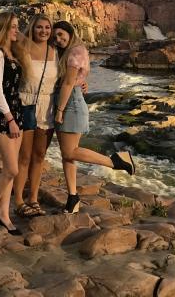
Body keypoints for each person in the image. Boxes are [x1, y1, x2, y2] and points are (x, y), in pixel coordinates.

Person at [52, 20, 135, 214]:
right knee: (67, 154)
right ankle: (73, 198)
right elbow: (77, 78)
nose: (58, 39)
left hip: (69, 104)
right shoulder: (74, 50)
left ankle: (116, 161)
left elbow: (67, 85)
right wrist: (82, 83)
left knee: (71, 152)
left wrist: (59, 111)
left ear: (70, 33)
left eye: (61, 34)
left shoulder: (73, 53)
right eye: (55, 36)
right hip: (71, 100)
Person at [0, 11, 31, 235]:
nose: (16, 30)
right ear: (3, 29)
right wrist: (10, 119)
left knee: (11, 171)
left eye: (17, 26)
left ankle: (5, 213)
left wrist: (20, 38)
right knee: (11, 168)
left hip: (16, 112)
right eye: (13, 27)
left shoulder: (13, 52)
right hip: (2, 115)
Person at [13, 14, 58, 218]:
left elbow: (71, 73)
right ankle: (19, 201)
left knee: (39, 156)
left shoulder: (56, 51)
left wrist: (82, 82)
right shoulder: (22, 47)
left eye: (47, 28)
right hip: (26, 104)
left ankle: (33, 198)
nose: (44, 31)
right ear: (32, 28)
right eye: (39, 27)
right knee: (24, 156)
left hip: (47, 106)